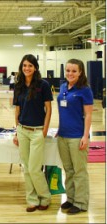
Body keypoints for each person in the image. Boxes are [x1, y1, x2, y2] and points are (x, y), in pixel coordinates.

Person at [12, 54, 53, 212]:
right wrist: (17, 132)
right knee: (27, 168)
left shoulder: (43, 85)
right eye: (24, 66)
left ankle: (45, 197)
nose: (27, 68)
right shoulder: (19, 85)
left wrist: (44, 131)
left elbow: (48, 109)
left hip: (37, 132)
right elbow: (17, 111)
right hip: (22, 131)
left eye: (30, 65)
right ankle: (32, 200)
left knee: (35, 168)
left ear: (35, 67)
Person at [57, 59, 93, 214]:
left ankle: (81, 202)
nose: (70, 73)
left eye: (73, 71)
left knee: (79, 171)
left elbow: (89, 114)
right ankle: (71, 198)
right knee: (68, 170)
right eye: (68, 70)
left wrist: (85, 136)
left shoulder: (85, 89)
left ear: (80, 72)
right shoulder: (64, 86)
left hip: (77, 136)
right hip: (63, 135)